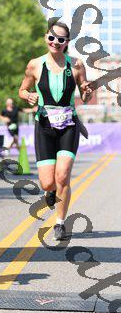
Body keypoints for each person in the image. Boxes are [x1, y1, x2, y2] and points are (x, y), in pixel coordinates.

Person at [18, 21, 93, 240]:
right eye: (52, 37)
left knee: (63, 176)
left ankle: (60, 223)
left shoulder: (76, 64)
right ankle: (49, 191)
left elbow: (85, 95)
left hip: (69, 126)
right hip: (44, 126)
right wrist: (28, 95)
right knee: (48, 182)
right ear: (46, 37)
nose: (55, 42)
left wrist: (87, 92)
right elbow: (22, 89)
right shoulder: (35, 65)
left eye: (61, 39)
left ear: (67, 42)